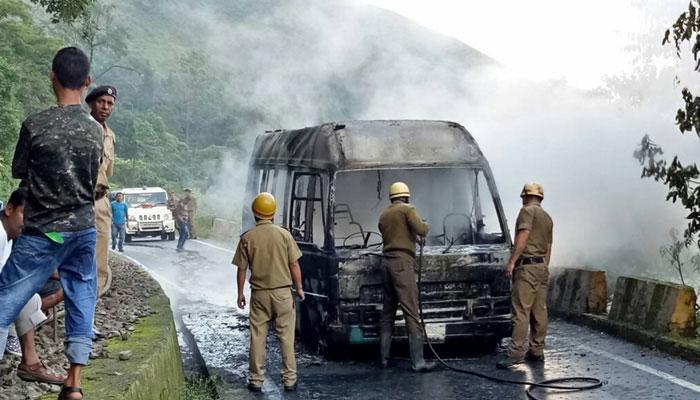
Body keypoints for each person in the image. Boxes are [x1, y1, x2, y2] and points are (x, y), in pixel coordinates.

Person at [0, 46, 103, 400]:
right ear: (87, 82)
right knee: (83, 297)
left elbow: (18, 170)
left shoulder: (35, 125)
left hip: (45, 231)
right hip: (83, 230)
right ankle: (74, 383)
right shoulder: (95, 131)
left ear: (52, 76)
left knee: (5, 299)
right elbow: (92, 177)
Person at [233, 192, 304, 392]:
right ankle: (290, 380)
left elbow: (241, 269)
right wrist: (299, 289)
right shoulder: (284, 234)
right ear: (273, 213)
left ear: (255, 213)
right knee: (286, 337)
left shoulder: (247, 237)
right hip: (282, 294)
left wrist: (240, 294)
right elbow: (294, 265)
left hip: (259, 295)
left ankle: (256, 380)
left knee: (257, 337)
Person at [1, 189, 65, 385]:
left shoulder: (10, 238)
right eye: (24, 215)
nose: (28, 223)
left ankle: (31, 363)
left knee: (25, 295)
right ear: (9, 210)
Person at [377, 182, 436, 372]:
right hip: (402, 263)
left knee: (387, 314)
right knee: (411, 311)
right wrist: (425, 224)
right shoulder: (408, 209)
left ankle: (384, 360)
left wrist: (411, 237)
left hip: (386, 263)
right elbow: (422, 229)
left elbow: (396, 234)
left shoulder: (385, 215)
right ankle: (418, 362)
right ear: (406, 196)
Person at [497, 183, 553, 369]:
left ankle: (515, 354)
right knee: (540, 310)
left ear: (525, 196)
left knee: (521, 311)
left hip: (527, 267)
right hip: (541, 267)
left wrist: (512, 262)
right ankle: (537, 351)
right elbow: (549, 248)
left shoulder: (527, 212)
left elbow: (523, 236)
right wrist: (543, 266)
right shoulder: (547, 217)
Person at [86, 85, 117, 296]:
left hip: (100, 201)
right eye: (101, 102)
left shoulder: (110, 135)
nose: (105, 107)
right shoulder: (81, 127)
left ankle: (88, 316)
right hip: (79, 201)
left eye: (110, 103)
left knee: (100, 262)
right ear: (91, 103)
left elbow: (108, 172)